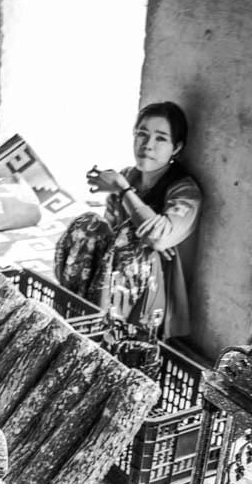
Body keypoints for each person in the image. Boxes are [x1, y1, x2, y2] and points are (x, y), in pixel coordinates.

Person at [54, 101, 202, 339]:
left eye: (161, 138)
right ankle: (77, 318)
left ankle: (110, 334)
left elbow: (156, 239)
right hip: (110, 285)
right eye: (141, 134)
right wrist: (139, 234)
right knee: (88, 225)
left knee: (133, 238)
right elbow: (111, 241)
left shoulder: (185, 191)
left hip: (153, 302)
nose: (148, 145)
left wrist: (124, 193)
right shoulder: (127, 177)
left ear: (176, 148)